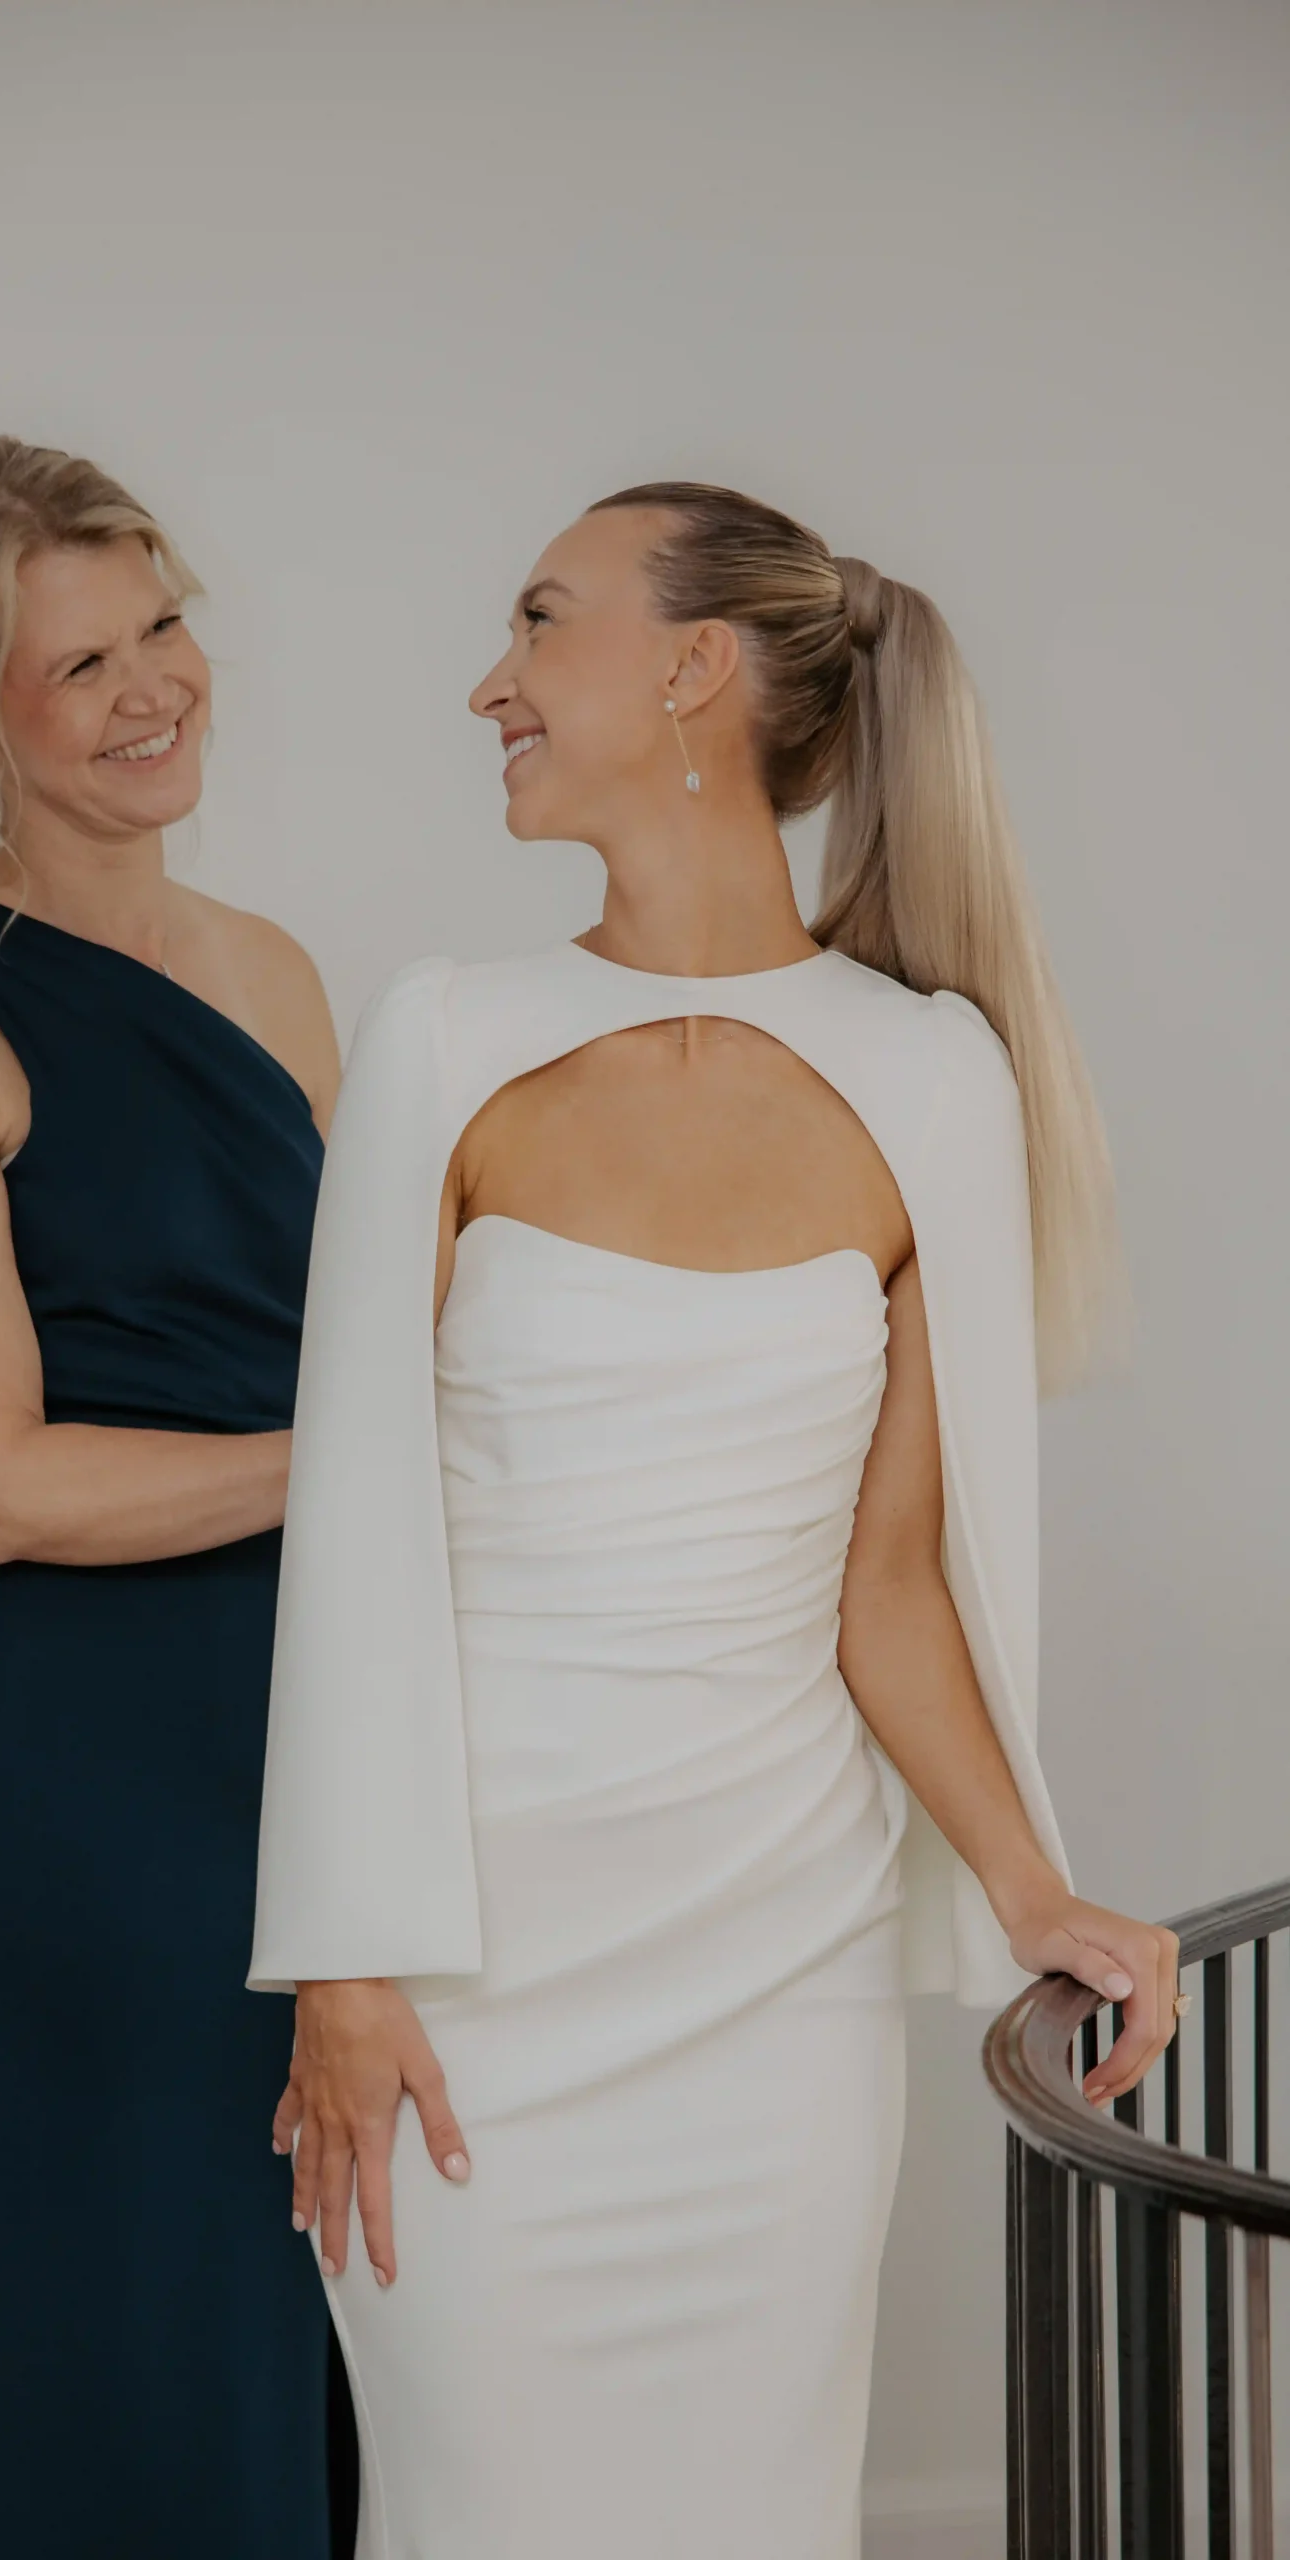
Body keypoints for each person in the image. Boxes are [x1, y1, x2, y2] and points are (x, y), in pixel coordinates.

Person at [249, 484, 1180, 2559]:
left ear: (691, 668)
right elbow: (359, 1541)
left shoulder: (931, 1077)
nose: (488, 683)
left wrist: (1036, 1886)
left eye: (538, 621)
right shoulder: (443, 1035)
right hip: (468, 1995)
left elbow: (891, 1587)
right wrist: (341, 1965)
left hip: (774, 1997)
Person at [0, 434, 344, 2559]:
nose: (154, 690)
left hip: (268, 1764)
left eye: (163, 627)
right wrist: (371, 1471)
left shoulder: (275, 971)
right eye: (81, 663)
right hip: (44, 1793)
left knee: (246, 2377)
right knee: (85, 2402)